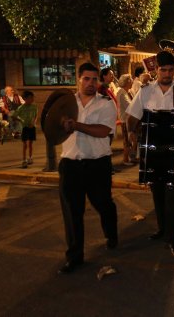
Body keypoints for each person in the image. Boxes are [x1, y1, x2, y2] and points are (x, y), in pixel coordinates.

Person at [126, 50, 174, 257]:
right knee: (157, 192)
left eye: (170, 70)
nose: (167, 74)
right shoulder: (145, 91)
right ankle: (162, 229)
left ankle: (172, 240)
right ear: (156, 70)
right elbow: (132, 116)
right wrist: (131, 134)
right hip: (153, 151)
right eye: (163, 70)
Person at [57, 62, 118, 274]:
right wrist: (61, 124)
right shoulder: (65, 104)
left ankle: (111, 234)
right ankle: (74, 256)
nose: (91, 83)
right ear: (78, 79)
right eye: (86, 79)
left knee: (103, 204)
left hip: (97, 164)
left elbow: (103, 131)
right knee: (72, 212)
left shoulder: (106, 103)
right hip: (70, 164)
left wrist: (76, 125)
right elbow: (52, 129)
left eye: (95, 79)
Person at [12, 90, 38, 168]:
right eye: (30, 98)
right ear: (25, 99)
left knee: (30, 143)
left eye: (32, 98)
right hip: (25, 127)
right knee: (25, 144)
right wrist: (21, 120)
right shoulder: (21, 107)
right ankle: (24, 159)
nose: (32, 99)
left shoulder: (34, 106)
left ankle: (30, 157)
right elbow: (14, 116)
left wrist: (34, 122)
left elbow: (36, 115)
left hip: (32, 127)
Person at [116, 74, 135, 165]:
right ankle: (125, 159)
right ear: (127, 82)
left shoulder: (128, 91)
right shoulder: (121, 92)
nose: (132, 81)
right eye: (131, 80)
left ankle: (129, 157)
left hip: (129, 119)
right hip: (125, 119)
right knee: (127, 140)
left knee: (130, 139)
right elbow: (129, 105)